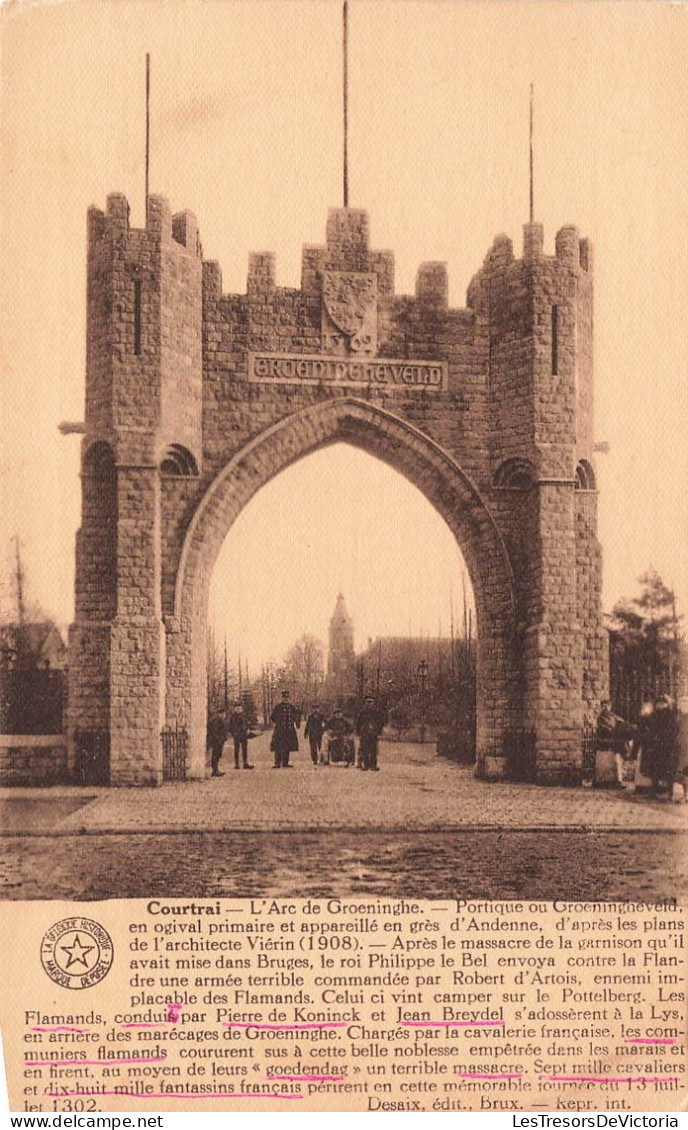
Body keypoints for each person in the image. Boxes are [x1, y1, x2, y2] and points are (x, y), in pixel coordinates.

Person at [646, 694, 679, 798]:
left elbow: (673, 730)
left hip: (667, 747)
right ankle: (653, 792)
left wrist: (664, 738)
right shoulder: (654, 715)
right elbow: (650, 728)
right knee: (655, 769)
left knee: (669, 770)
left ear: (666, 704)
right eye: (658, 703)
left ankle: (671, 793)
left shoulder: (670, 715)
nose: (660, 705)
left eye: (662, 703)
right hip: (656, 746)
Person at [595, 699, 630, 786]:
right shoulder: (601, 717)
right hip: (604, 739)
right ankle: (626, 756)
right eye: (604, 706)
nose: (606, 708)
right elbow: (605, 729)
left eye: (607, 706)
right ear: (601, 707)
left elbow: (622, 722)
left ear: (610, 707)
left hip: (612, 737)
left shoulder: (613, 715)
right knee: (620, 743)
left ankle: (626, 756)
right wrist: (615, 731)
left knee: (623, 741)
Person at [269, 690, 301, 768]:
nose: (286, 699)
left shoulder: (291, 707)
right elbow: (272, 717)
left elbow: (296, 716)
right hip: (280, 730)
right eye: (284, 697)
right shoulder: (278, 707)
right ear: (282, 698)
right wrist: (278, 724)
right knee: (278, 746)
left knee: (287, 746)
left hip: (289, 730)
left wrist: (296, 723)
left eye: (287, 697)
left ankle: (285, 762)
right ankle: (277, 763)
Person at [355, 695, 387, 771]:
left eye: (371, 702)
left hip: (374, 733)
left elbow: (380, 723)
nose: (369, 704)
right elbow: (358, 723)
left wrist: (379, 732)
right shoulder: (362, 712)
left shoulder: (377, 712)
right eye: (368, 702)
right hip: (364, 733)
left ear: (374, 703)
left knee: (373, 749)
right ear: (365, 703)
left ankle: (373, 765)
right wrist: (358, 732)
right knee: (364, 749)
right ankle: (365, 765)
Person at [228, 702, 254, 770]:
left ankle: (245, 763)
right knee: (236, 750)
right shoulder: (232, 717)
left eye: (240, 708)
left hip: (244, 735)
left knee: (244, 749)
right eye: (237, 708)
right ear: (235, 709)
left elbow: (247, 723)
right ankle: (236, 764)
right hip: (237, 735)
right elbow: (230, 726)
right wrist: (233, 733)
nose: (239, 709)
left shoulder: (244, 716)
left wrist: (248, 729)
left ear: (242, 709)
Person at [206, 710, 227, 778]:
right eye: (223, 714)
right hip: (217, 741)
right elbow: (215, 731)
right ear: (220, 714)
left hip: (219, 741)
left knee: (217, 755)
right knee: (216, 755)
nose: (224, 715)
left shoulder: (219, 720)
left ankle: (216, 770)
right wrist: (218, 740)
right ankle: (215, 770)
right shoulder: (217, 720)